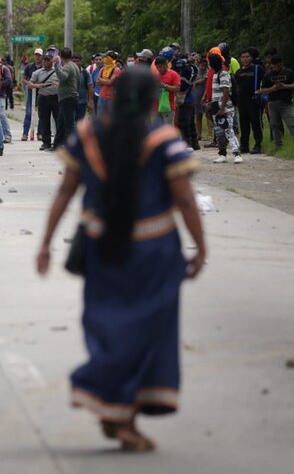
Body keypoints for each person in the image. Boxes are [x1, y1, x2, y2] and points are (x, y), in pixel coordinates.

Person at [34, 66, 205, 453]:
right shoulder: (164, 140)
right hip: (155, 251)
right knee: (147, 334)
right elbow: (185, 201)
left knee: (109, 326)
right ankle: (121, 415)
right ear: (151, 101)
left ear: (113, 93)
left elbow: (64, 192)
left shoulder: (88, 136)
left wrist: (45, 242)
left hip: (100, 248)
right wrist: (201, 247)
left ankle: (115, 407)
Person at [205, 53, 242, 164]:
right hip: (216, 106)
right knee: (219, 131)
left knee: (228, 130)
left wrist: (222, 107)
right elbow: (218, 92)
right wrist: (212, 103)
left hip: (225, 107)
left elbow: (226, 91)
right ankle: (222, 153)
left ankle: (237, 153)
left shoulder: (223, 74)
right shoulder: (215, 75)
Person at [256, 54, 294, 150]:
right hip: (272, 103)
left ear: (281, 64)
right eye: (274, 66)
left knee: (291, 123)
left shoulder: (288, 72)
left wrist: (285, 86)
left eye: (278, 66)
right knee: (274, 125)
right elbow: (263, 89)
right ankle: (278, 145)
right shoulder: (268, 75)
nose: (276, 68)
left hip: (286, 103)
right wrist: (273, 88)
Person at [234, 48, 264, 154]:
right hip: (242, 102)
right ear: (240, 59)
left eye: (247, 57)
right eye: (243, 57)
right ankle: (244, 146)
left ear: (252, 58)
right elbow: (235, 87)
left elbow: (265, 81)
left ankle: (258, 145)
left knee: (256, 124)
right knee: (244, 125)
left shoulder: (258, 69)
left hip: (254, 101)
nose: (245, 59)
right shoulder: (238, 72)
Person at [28, 54, 59, 151]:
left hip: (55, 98)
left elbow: (64, 81)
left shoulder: (57, 71)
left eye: (48, 60)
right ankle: (46, 142)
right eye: (44, 60)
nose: (46, 62)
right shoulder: (37, 72)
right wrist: (37, 86)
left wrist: (58, 84)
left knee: (58, 120)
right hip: (43, 98)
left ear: (51, 61)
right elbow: (29, 84)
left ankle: (58, 142)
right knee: (44, 121)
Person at [54, 48, 81, 148]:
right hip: (71, 97)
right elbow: (78, 82)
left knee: (69, 123)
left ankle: (71, 146)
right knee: (61, 122)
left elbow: (62, 77)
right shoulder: (75, 66)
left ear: (61, 57)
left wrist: (56, 65)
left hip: (67, 98)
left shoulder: (67, 67)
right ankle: (57, 144)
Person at [22, 48, 44, 141]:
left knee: (42, 114)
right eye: (36, 55)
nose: (37, 57)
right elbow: (24, 78)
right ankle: (25, 133)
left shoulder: (45, 67)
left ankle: (40, 133)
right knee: (28, 113)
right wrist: (29, 84)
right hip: (31, 92)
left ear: (42, 56)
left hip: (42, 92)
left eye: (39, 55)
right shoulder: (29, 67)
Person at [155, 56, 180, 126]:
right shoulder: (156, 75)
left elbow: (177, 88)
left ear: (165, 64)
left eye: (160, 66)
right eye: (157, 67)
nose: (159, 69)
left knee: (167, 128)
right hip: (157, 106)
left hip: (168, 106)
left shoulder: (173, 74)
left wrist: (164, 85)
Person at [95, 52, 121, 116]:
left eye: (106, 57)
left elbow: (110, 82)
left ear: (110, 59)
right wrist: (106, 81)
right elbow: (97, 82)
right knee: (100, 118)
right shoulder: (102, 69)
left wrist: (102, 80)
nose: (104, 59)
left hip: (111, 98)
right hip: (101, 96)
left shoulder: (116, 69)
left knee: (111, 118)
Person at [73, 53, 94, 121]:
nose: (76, 63)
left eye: (77, 61)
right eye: (74, 61)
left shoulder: (85, 73)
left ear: (81, 62)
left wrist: (90, 101)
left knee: (79, 121)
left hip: (82, 102)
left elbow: (90, 87)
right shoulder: (68, 72)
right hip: (70, 102)